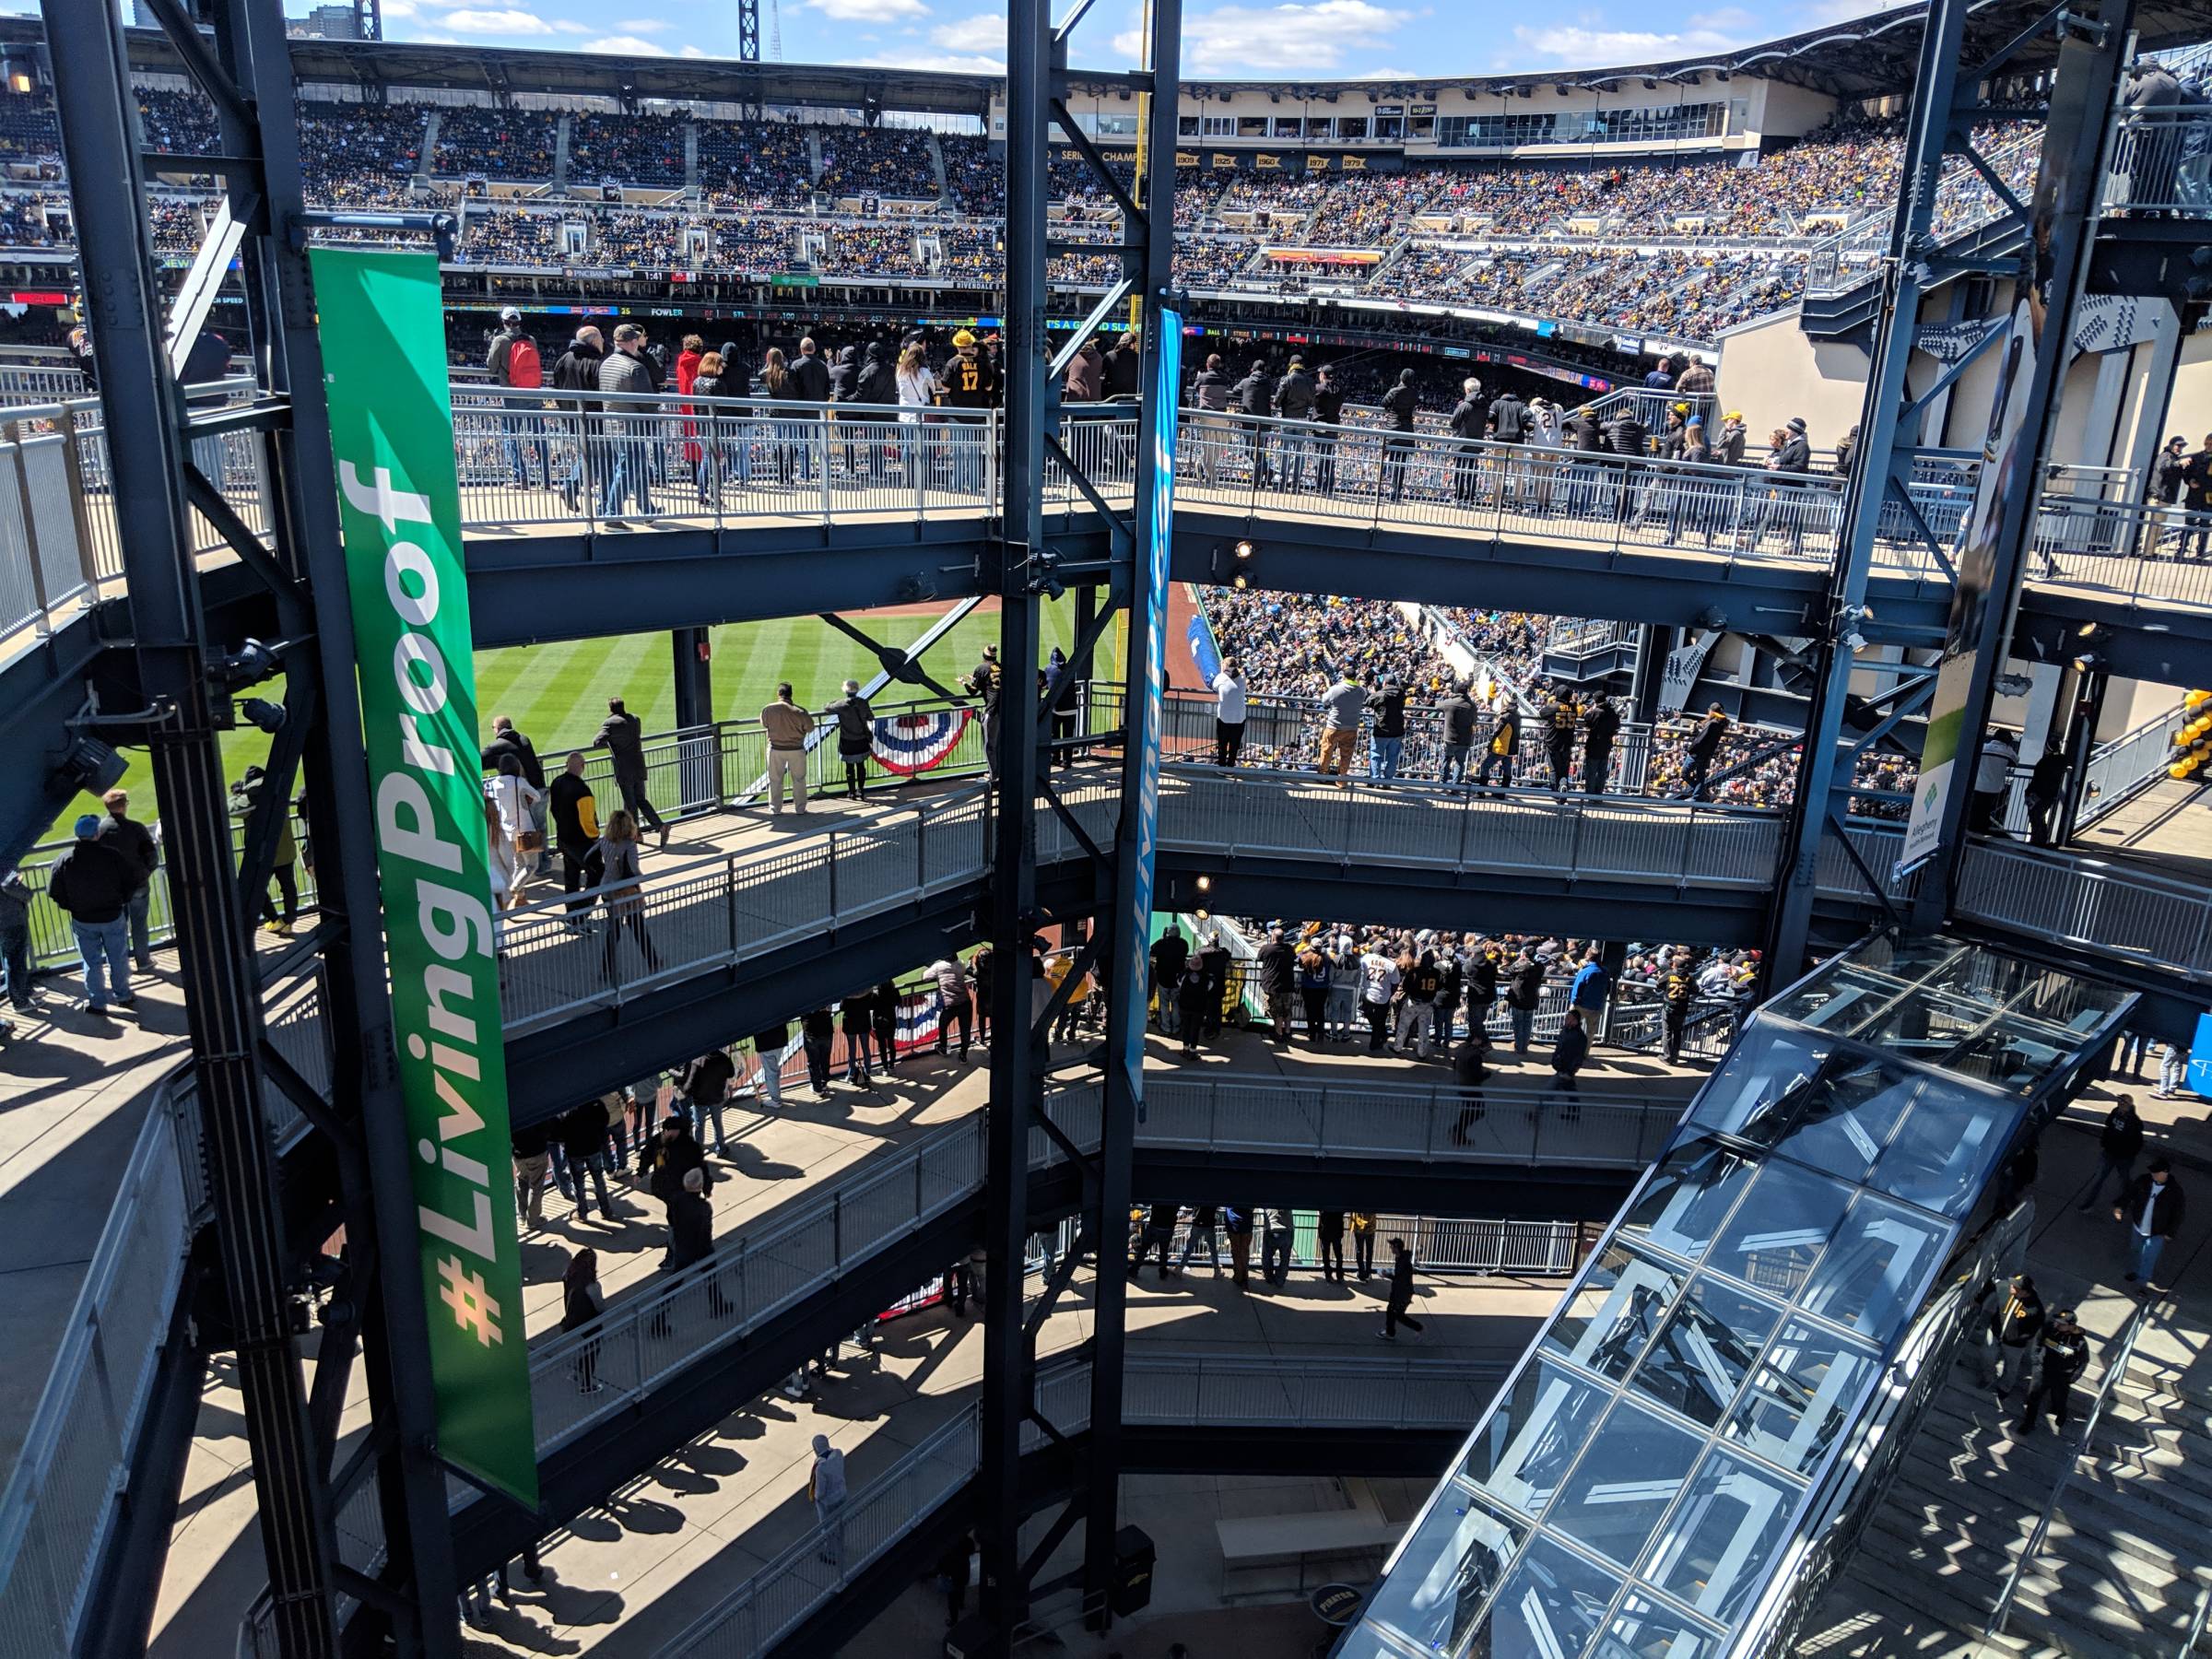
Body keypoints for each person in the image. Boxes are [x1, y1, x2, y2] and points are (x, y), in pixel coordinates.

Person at [46, 815, 136, 1014]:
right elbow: (131, 881)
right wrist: (121, 900)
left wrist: (72, 906)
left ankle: (97, 1002)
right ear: (97, 833)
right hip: (112, 916)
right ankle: (123, 995)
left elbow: (54, 891)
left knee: (91, 962)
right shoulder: (112, 856)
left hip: (83, 919)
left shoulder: (65, 859)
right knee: (118, 958)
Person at [594, 323, 658, 523]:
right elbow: (647, 403)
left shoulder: (606, 363)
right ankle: (612, 513)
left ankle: (647, 508)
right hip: (632, 426)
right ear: (633, 342)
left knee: (633, 466)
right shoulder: (636, 367)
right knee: (629, 468)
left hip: (611, 424)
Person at [96, 787, 159, 971]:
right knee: (139, 923)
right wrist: (145, 873)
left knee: (116, 928)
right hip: (138, 884)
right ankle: (143, 960)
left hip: (113, 888)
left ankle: (119, 965)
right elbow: (152, 857)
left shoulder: (99, 831)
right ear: (123, 806)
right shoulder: (137, 828)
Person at [594, 698, 667, 847]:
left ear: (611, 709)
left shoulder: (610, 724)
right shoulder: (635, 720)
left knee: (631, 803)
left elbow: (596, 742)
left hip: (624, 769)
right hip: (638, 765)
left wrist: (610, 742)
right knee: (641, 799)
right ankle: (659, 826)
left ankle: (636, 835)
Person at [595, 809, 659, 980]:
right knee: (638, 927)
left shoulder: (604, 841)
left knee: (614, 932)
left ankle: (606, 970)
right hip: (627, 891)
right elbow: (633, 868)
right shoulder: (629, 845)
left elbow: (595, 859)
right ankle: (653, 962)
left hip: (608, 889)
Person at [488, 305, 546, 490]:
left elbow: (491, 366)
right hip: (534, 393)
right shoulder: (531, 340)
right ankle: (547, 478)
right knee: (539, 436)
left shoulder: (500, 340)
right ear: (519, 322)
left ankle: (520, 477)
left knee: (510, 436)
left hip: (512, 393)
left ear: (504, 322)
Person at [549, 324, 605, 511]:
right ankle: (571, 485)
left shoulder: (563, 359)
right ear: (595, 341)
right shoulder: (595, 362)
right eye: (601, 339)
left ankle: (604, 501)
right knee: (594, 457)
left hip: (569, 416)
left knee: (589, 454)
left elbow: (556, 387)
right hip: (594, 418)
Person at [2014, 1308, 2088, 1437]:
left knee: (2060, 1398)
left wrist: (2074, 1377)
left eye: (2062, 1324)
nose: (2057, 1325)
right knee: (2033, 1398)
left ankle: (2060, 1414)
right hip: (2042, 1371)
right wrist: (2036, 1361)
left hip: (2062, 1376)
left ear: (2071, 1326)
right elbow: (2037, 1342)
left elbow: (2084, 1361)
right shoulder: (2049, 1329)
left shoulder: (2079, 1342)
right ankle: (2029, 1423)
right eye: (2057, 1322)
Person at [2117, 1158, 2184, 1289]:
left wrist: (2170, 1232)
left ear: (2165, 1173)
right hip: (2139, 1226)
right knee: (2135, 1250)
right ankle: (2134, 1271)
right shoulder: (2144, 1181)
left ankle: (2142, 1283)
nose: (2153, 1175)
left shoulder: (2175, 1191)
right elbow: (2129, 1194)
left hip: (2158, 1231)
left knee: (2149, 1257)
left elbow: (2178, 1213)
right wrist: (2120, 1206)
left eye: (2156, 1172)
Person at [487, 753, 544, 904]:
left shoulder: (494, 783)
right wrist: (527, 800)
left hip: (506, 831)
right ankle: (515, 889)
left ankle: (521, 898)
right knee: (532, 865)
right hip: (524, 829)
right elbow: (537, 796)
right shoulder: (519, 782)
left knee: (519, 864)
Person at [547, 751, 601, 912]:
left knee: (571, 878)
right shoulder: (582, 791)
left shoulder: (556, 782)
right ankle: (582, 912)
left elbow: (553, 810)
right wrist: (596, 837)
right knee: (598, 873)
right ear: (583, 767)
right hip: (582, 844)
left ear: (566, 765)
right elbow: (588, 822)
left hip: (563, 840)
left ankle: (572, 914)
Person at [1981, 1271, 2045, 1398]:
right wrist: (1979, 1300)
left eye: (2015, 1287)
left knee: (2011, 1368)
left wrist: (2018, 1338)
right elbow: (1990, 1287)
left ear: (2025, 1292)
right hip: (1995, 1333)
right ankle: (1988, 1378)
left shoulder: (2035, 1309)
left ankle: (2005, 1387)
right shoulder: (2004, 1287)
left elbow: (2034, 1329)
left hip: (2014, 1345)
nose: (2011, 1287)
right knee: (1986, 1355)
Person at [2078, 1094, 2146, 1212]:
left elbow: (2137, 1142)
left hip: (2124, 1158)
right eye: (2119, 1101)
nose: (2119, 1103)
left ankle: (2128, 1198)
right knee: (2098, 1179)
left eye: (2122, 1102)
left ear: (2129, 1105)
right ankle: (2089, 1204)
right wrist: (2105, 1142)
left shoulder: (2133, 1122)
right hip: (2109, 1153)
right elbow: (2108, 1125)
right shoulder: (2115, 1112)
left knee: (2124, 1179)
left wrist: (2128, 1154)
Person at [555, 1098, 618, 1220]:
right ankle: (606, 1210)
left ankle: (582, 1212)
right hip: (593, 1147)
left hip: (575, 1151)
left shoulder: (566, 1109)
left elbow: (559, 1132)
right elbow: (605, 1119)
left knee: (578, 1182)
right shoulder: (594, 1103)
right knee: (598, 1179)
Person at [760, 681, 813, 815]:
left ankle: (775, 809)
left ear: (779, 694)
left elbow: (764, 724)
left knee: (775, 780)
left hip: (775, 749)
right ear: (791, 694)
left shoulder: (768, 709)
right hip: (796, 749)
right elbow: (810, 728)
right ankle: (800, 809)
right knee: (799, 780)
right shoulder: (800, 711)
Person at [562, 1247, 604, 1394]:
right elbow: (600, 1307)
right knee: (592, 1351)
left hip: (573, 1319)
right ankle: (586, 1385)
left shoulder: (568, 1276)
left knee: (585, 1348)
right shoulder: (592, 1286)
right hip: (590, 1323)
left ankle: (576, 1372)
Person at [825, 678, 874, 801]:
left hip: (847, 741)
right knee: (861, 766)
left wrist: (835, 702)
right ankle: (861, 791)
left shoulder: (841, 704)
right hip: (862, 739)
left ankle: (851, 792)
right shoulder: (863, 702)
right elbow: (870, 717)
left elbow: (827, 708)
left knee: (849, 767)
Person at [682, 1046, 737, 1154]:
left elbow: (689, 1085)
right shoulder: (724, 1058)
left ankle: (698, 1153)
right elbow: (731, 1073)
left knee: (699, 1126)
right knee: (717, 1123)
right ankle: (721, 1148)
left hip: (700, 1100)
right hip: (717, 1098)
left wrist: (685, 1090)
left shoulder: (697, 1061)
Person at [1273, 356, 1316, 488]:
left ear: (1291, 365)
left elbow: (1276, 401)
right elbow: (1312, 402)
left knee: (1285, 451)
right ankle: (1296, 483)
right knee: (1299, 453)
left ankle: (1283, 481)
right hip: (1302, 420)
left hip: (1287, 419)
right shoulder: (1309, 381)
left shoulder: (1286, 379)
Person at [1318, 671, 1366, 785]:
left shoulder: (1335, 689)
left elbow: (1324, 700)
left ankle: (1323, 775)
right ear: (1355, 677)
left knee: (1326, 750)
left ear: (1344, 676)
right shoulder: (1361, 691)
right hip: (1351, 727)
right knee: (1346, 754)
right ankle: (1341, 780)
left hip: (1333, 726)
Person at [808, 1432, 848, 1566]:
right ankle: (841, 1546)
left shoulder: (821, 1468)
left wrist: (816, 1497)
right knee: (840, 1522)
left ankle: (830, 1554)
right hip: (842, 1494)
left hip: (828, 1502)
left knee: (827, 1527)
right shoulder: (838, 1454)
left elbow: (820, 1491)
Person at [1380, 369, 1419, 501]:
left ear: (1401, 378)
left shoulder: (1394, 391)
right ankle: (1396, 492)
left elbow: (1384, 403)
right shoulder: (1414, 393)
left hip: (1394, 430)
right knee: (1401, 464)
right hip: (1407, 431)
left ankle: (1393, 492)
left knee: (1394, 462)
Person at [1971, 728, 2020, 833]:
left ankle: (1972, 830)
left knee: (1975, 809)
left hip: (1978, 785)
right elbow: (2016, 761)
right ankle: (1981, 832)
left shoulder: (1983, 747)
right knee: (1986, 811)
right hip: (1994, 788)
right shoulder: (2008, 751)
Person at [0, 865, 33, 1012]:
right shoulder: (4, 860)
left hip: (6, 920)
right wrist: (28, 893)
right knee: (15, 960)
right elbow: (8, 883)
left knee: (12, 958)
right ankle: (20, 1001)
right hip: (11, 920)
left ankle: (23, 991)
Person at [512, 1118, 554, 1231]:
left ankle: (522, 1216)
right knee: (536, 1186)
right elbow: (547, 1128)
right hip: (537, 1152)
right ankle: (533, 1220)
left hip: (518, 1154)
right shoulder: (536, 1110)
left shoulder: (514, 1110)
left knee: (521, 1181)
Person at [1450, 1026, 1489, 1145]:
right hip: (1471, 1087)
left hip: (1461, 1083)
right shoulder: (1474, 1055)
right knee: (1477, 1112)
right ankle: (1459, 1132)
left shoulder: (1461, 1048)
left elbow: (1455, 1064)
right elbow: (1477, 1075)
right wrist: (1487, 1075)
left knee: (1468, 1110)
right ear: (1477, 1039)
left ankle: (1458, 1131)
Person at [1359, 941, 1401, 1053]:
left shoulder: (1366, 958)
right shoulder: (1391, 964)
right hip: (1383, 995)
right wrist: (1391, 994)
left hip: (1369, 993)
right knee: (1379, 1021)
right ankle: (1381, 1035)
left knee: (1371, 1016)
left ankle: (1375, 1043)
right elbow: (1395, 982)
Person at [1681, 704, 1729, 801]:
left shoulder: (1712, 723)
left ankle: (1699, 793)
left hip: (1697, 753)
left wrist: (1691, 749)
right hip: (1706, 754)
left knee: (1684, 773)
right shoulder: (1720, 724)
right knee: (1700, 776)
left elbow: (1700, 739)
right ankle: (1698, 795)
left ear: (1710, 711)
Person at [1256, 925, 1295, 1045]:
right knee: (1287, 1010)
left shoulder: (1266, 948)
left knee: (1277, 1011)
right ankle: (1287, 1032)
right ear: (1283, 938)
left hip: (1273, 985)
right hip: (1287, 984)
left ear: (1273, 937)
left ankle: (1278, 1033)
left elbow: (1259, 958)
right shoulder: (1289, 949)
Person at [1312, 364, 1347, 494]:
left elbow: (1311, 400)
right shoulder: (1340, 389)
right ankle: (1330, 486)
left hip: (1320, 426)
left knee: (1320, 456)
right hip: (1333, 426)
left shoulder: (1318, 388)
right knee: (1329, 457)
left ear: (1323, 375)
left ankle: (1319, 486)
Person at [929, 953, 972, 1058]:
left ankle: (944, 1048)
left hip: (951, 1005)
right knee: (965, 1030)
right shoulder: (960, 965)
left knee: (942, 1026)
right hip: (965, 1003)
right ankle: (963, 1055)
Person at [1503, 948, 1544, 1056]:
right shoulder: (1539, 967)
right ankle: (1524, 1047)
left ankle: (1519, 1047)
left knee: (1518, 1024)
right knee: (1527, 1025)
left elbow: (1509, 970)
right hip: (1531, 1000)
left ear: (1524, 955)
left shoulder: (1522, 966)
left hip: (1519, 1000)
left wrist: (1519, 960)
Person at [1381, 1238, 1424, 1339]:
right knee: (1392, 1311)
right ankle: (1390, 1332)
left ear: (1396, 1247)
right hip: (1399, 1291)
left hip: (1402, 1293)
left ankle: (1417, 1327)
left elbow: (1399, 1278)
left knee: (1397, 1314)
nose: (1390, 1248)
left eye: (1391, 1247)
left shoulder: (1403, 1262)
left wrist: (1387, 1275)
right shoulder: (1401, 1258)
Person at [1439, 679, 1477, 784]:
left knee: (1446, 759)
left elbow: (1437, 706)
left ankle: (1443, 782)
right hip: (1464, 740)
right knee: (1460, 763)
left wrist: (1446, 696)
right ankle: (1456, 786)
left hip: (1449, 739)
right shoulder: (1472, 705)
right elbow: (1474, 721)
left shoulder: (1449, 702)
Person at [1370, 677, 1408, 782]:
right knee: (1393, 757)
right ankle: (1388, 781)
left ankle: (1374, 780)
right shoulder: (1401, 694)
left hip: (1382, 730)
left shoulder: (1380, 694)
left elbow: (1368, 702)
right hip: (1397, 730)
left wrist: (1374, 693)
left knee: (1376, 755)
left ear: (1385, 683)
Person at [1212, 656, 1248, 766]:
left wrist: (1222, 671)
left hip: (1224, 718)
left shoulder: (1221, 677)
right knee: (1234, 745)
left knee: (1222, 744)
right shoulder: (1242, 678)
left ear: (1226, 667)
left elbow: (1214, 687)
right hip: (1239, 718)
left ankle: (1222, 766)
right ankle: (1230, 767)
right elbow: (1239, 673)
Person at [1661, 954, 1697, 1064]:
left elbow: (1658, 984)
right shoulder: (1690, 977)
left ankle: (1667, 1057)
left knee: (1667, 1032)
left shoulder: (1669, 974)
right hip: (1682, 1008)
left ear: (1675, 965)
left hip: (1669, 1007)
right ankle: (1675, 1057)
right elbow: (1695, 989)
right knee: (1677, 1033)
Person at [1129, 1200, 1179, 1279]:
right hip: (1167, 1229)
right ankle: (1163, 1272)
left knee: (1143, 1250)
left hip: (1154, 1227)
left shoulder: (1158, 1197)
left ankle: (1134, 1270)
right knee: (1163, 1252)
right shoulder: (1175, 1200)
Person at [935, 1531, 975, 1630]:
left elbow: (943, 1564)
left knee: (952, 1602)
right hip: (961, 1579)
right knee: (960, 1592)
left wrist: (941, 1570)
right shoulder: (965, 1555)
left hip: (953, 1579)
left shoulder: (951, 1552)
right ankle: (961, 1604)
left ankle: (953, 1620)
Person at [1477, 700, 1519, 790]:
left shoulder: (1505, 717)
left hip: (1502, 747)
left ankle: (1481, 791)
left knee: (1485, 766)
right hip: (1511, 748)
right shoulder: (1518, 716)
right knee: (1507, 769)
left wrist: (1490, 746)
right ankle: (1502, 793)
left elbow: (1497, 732)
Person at [1582, 698, 1620, 795]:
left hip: (1594, 745)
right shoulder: (1612, 713)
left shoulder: (1595, 712)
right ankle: (1598, 794)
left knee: (1591, 772)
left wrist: (1591, 710)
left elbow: (1586, 720)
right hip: (1606, 746)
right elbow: (1617, 727)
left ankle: (1590, 794)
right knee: (1602, 773)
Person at [1552, 1007, 1590, 1104]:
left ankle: (1538, 1112)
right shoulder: (1566, 1031)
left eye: (1569, 1018)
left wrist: (1570, 1071)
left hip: (1566, 1068)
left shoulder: (1579, 1037)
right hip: (1563, 1067)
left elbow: (1577, 1056)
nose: (1566, 1020)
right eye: (1566, 1018)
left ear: (1575, 1021)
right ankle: (1574, 1113)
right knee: (1569, 1089)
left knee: (1551, 1089)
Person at [1570, 948, 1611, 1031]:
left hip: (1581, 1005)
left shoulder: (1585, 971)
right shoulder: (1605, 972)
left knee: (1570, 1026)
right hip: (1597, 1006)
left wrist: (1574, 1002)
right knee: (1590, 1033)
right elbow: (1608, 988)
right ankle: (1586, 1045)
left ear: (1587, 955)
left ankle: (1567, 1044)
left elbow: (1577, 988)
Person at [841, 992, 876, 1086]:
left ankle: (851, 1073)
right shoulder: (867, 993)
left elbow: (842, 1007)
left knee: (852, 1050)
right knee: (865, 1048)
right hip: (864, 1024)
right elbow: (872, 1004)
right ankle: (867, 1072)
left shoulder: (848, 993)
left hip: (851, 1025)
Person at [1545, 689, 1577, 791]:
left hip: (1553, 742)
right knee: (1564, 770)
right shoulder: (1572, 708)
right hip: (1567, 743)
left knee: (1553, 768)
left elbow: (1541, 713)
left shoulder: (1555, 706)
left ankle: (1556, 792)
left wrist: (1551, 703)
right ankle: (1563, 786)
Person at [801, 1005, 836, 1095]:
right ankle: (823, 1083)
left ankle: (817, 1088)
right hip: (826, 1031)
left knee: (814, 1062)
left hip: (812, 1033)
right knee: (824, 1059)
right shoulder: (825, 995)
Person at [751, 1020, 788, 1105]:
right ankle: (776, 1097)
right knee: (773, 1071)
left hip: (766, 1044)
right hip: (780, 1040)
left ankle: (775, 1100)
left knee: (771, 1072)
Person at [1179, 1204, 1220, 1275]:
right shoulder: (1214, 1199)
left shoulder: (1200, 1198)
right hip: (1209, 1225)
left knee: (1189, 1248)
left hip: (1198, 1224)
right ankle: (1216, 1271)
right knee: (1213, 1249)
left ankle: (1180, 1268)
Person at [1223, 1204, 1254, 1289]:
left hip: (1233, 1222)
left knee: (1236, 1251)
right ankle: (1245, 1277)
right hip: (1247, 1223)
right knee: (1245, 1251)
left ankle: (1238, 1277)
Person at [1262, 1206, 1294, 1287]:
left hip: (1271, 1231)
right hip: (1286, 1231)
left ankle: (1269, 1277)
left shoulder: (1268, 1201)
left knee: (1267, 1256)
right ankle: (1280, 1280)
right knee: (1285, 1259)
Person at [1316, 1209, 1347, 1282]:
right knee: (1338, 1255)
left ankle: (1328, 1275)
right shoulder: (1339, 1206)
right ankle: (1339, 1276)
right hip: (1337, 1232)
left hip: (1325, 1232)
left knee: (1326, 1255)